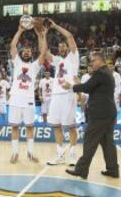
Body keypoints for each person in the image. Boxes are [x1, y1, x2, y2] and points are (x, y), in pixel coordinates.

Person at [63, 52, 119, 179]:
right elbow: (92, 87)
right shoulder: (107, 73)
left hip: (100, 114)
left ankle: (81, 170)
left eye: (92, 61)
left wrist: (71, 86)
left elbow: (87, 87)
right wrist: (78, 84)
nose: (90, 64)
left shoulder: (100, 73)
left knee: (90, 141)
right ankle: (113, 169)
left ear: (99, 60)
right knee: (107, 142)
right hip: (108, 113)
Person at [8, 23, 47, 164]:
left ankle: (30, 153)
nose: (26, 52)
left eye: (29, 51)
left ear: (31, 55)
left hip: (29, 100)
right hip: (15, 99)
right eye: (24, 50)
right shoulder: (17, 63)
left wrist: (39, 35)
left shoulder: (35, 66)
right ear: (21, 53)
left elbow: (43, 52)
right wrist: (19, 30)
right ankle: (15, 153)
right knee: (15, 127)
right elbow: (13, 46)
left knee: (30, 127)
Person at [46, 19, 80, 166]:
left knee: (71, 127)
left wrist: (55, 27)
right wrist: (43, 32)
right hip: (56, 96)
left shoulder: (73, 57)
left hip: (68, 94)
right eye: (59, 47)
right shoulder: (57, 60)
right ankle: (60, 155)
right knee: (56, 126)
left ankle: (73, 155)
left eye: (64, 46)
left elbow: (70, 37)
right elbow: (45, 53)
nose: (62, 48)